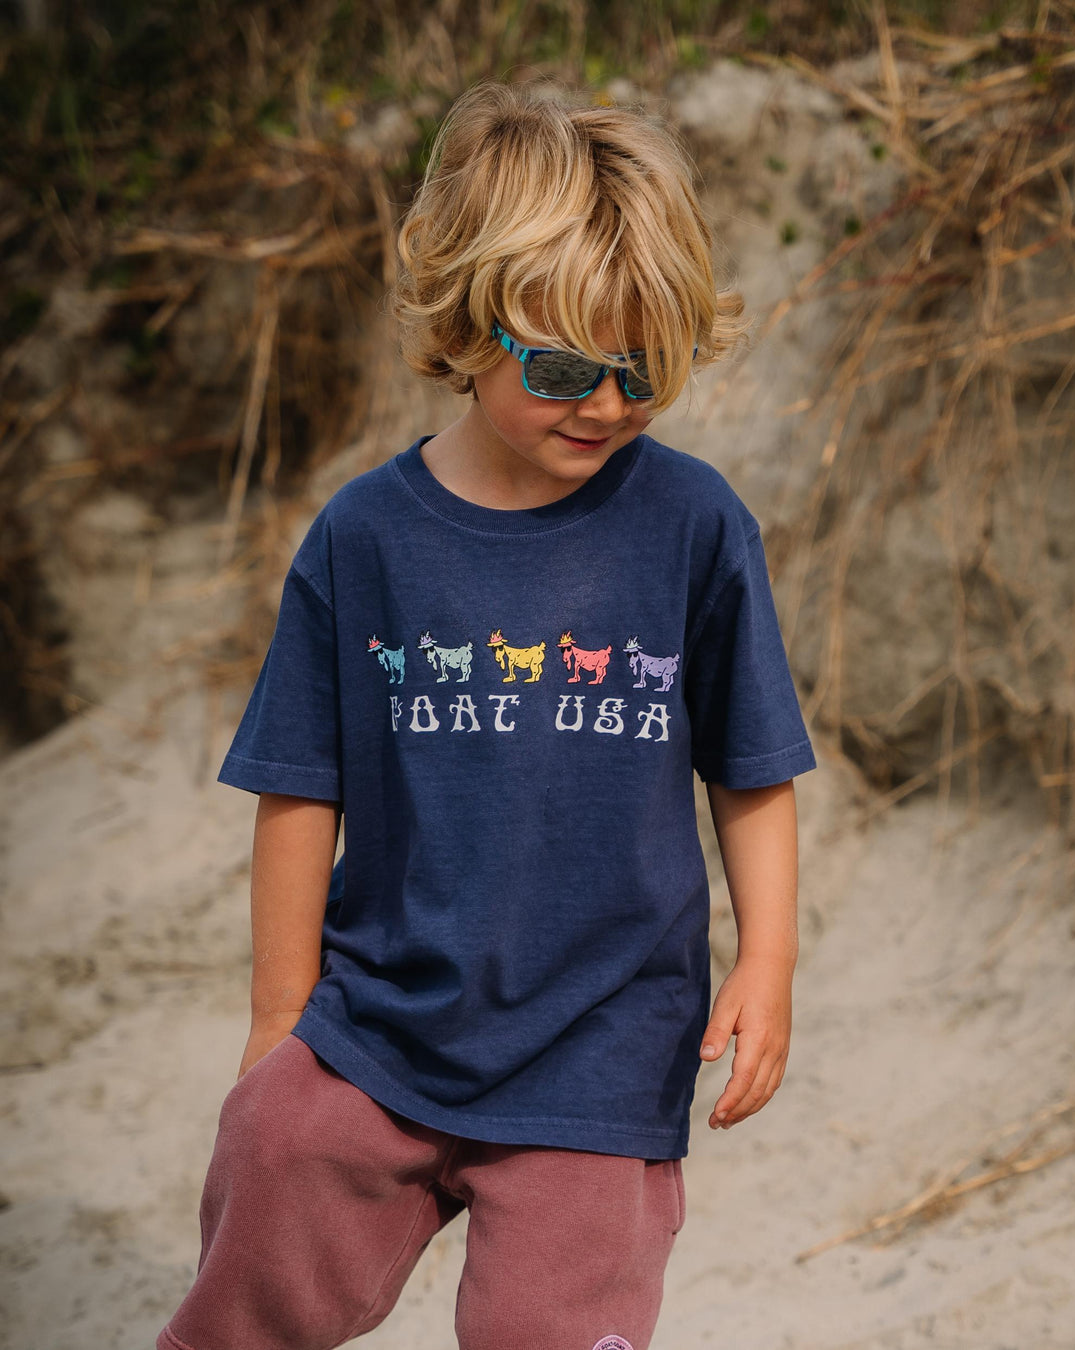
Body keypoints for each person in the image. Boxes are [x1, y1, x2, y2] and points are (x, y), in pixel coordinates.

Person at [158, 80, 816, 1350]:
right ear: (464, 328)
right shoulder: (365, 541)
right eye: (565, 366)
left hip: (602, 1042)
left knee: (548, 1331)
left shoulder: (692, 527)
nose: (610, 404)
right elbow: (301, 784)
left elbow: (752, 767)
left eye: (648, 368)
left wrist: (769, 959)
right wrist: (278, 1019)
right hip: (386, 1016)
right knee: (276, 1150)